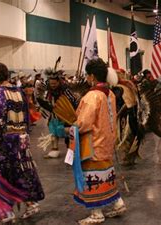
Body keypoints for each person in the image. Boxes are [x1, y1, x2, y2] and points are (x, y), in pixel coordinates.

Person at [0, 62, 44, 221]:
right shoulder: (19, 92)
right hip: (21, 138)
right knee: (23, 170)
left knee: (5, 175)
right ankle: (31, 203)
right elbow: (27, 117)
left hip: (4, 142)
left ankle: (6, 212)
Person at [71, 58, 126, 224]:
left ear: (93, 76)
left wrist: (72, 127)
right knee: (106, 175)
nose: (87, 79)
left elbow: (83, 123)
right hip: (107, 143)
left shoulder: (92, 96)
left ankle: (96, 213)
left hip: (93, 144)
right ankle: (118, 204)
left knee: (93, 178)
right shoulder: (109, 94)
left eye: (88, 76)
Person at [36, 69, 77, 158]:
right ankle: (55, 150)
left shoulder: (65, 89)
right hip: (54, 115)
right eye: (51, 84)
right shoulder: (47, 89)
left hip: (66, 116)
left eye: (55, 83)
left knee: (69, 133)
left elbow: (73, 101)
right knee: (53, 131)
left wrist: (71, 113)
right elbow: (42, 99)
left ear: (59, 82)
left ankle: (72, 152)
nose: (53, 85)